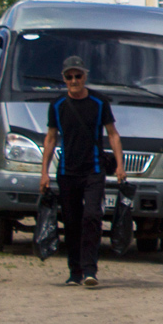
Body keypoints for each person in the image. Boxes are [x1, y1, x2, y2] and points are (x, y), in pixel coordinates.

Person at [39, 56, 126, 288]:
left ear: (85, 77)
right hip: (67, 172)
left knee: (92, 216)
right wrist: (44, 173)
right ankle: (75, 272)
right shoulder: (57, 105)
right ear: (64, 79)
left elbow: (113, 134)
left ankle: (90, 270)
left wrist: (120, 165)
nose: (74, 80)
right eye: (69, 77)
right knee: (72, 221)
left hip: (94, 171)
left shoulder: (99, 103)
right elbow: (50, 138)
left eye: (78, 76)